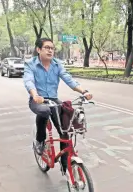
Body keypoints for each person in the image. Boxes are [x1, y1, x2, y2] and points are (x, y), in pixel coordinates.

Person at [23, 38, 93, 173]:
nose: (50, 50)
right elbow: (29, 81)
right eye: (47, 47)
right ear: (38, 49)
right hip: (37, 99)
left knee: (66, 128)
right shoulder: (30, 64)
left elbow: (68, 79)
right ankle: (40, 141)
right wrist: (35, 95)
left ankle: (65, 164)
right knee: (43, 111)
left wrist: (84, 92)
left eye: (52, 48)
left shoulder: (57, 64)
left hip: (53, 99)